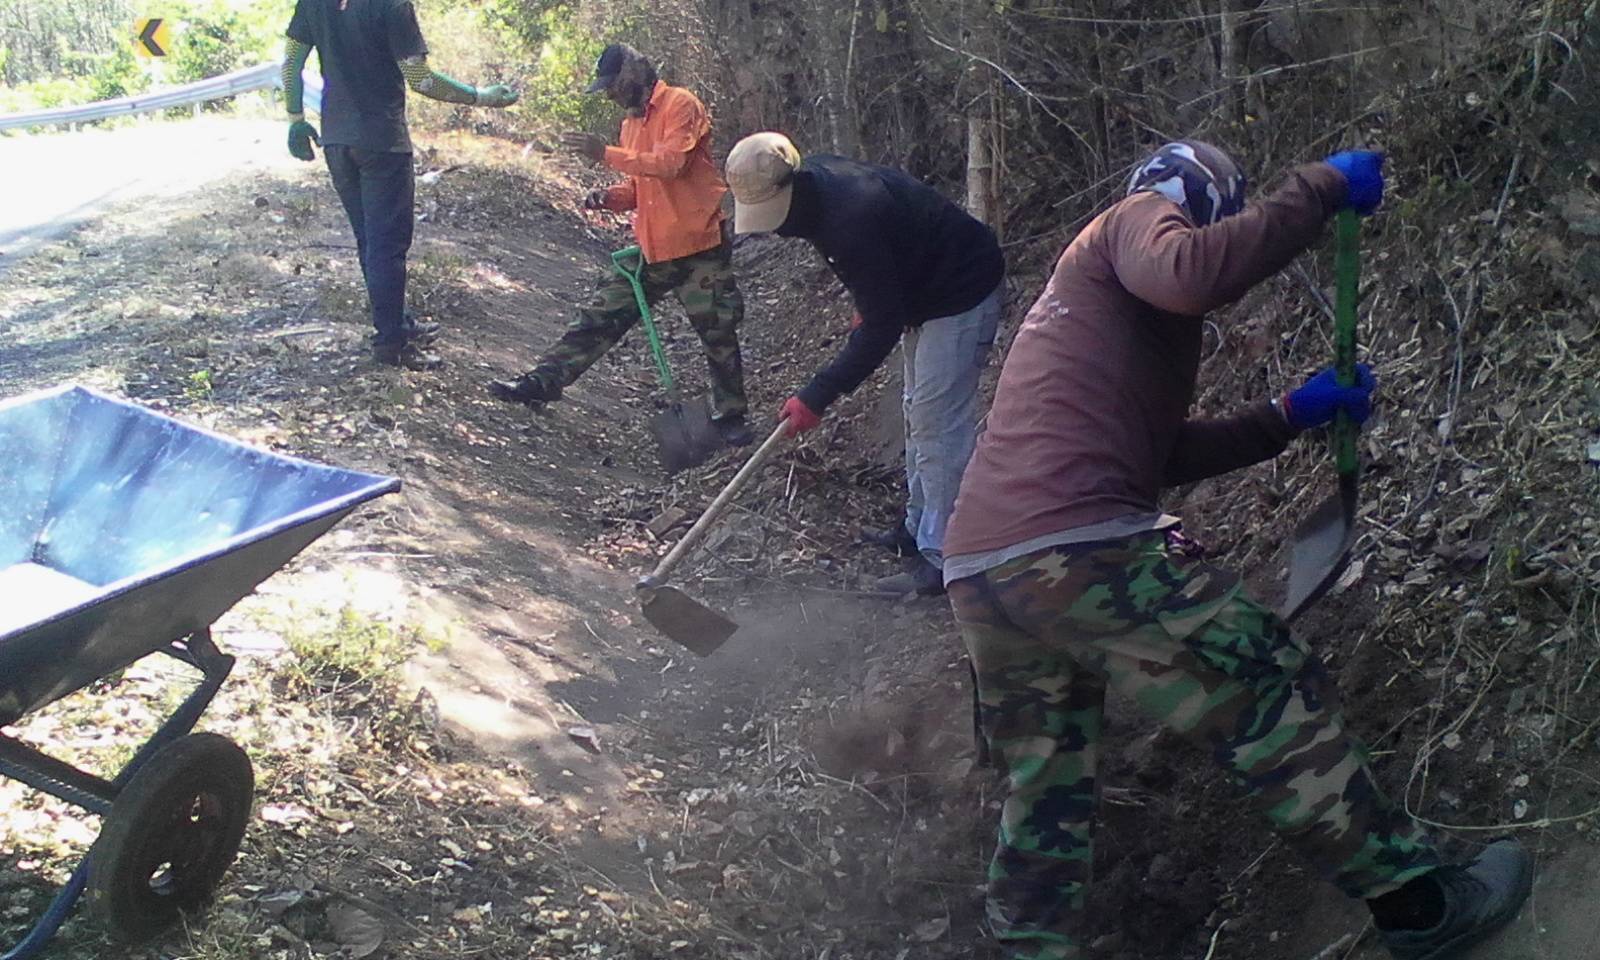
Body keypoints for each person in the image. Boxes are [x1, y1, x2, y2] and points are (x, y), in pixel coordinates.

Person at [941, 142, 1532, 960]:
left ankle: (1028, 948)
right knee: (1265, 690)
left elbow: (1158, 454)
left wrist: (1288, 415)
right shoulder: (1133, 220)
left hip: (983, 569)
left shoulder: (1091, 313)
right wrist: (1320, 188)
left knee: (1048, 783)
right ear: (1198, 199)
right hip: (1075, 548)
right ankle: (1422, 907)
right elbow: (1193, 273)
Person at [724, 132, 1005, 596]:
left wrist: (818, 394)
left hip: (961, 291)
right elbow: (883, 268)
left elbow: (881, 328)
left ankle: (945, 556)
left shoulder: (849, 214)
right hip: (923, 292)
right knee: (917, 412)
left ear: (788, 189)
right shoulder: (817, 190)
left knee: (937, 424)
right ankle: (917, 530)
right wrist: (875, 299)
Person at [489, 43, 750, 447]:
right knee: (599, 316)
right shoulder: (630, 125)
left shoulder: (681, 104)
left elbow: (671, 165)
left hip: (699, 246)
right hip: (652, 251)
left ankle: (731, 415)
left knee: (718, 333)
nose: (609, 94)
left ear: (633, 75)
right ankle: (543, 381)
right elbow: (640, 188)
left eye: (612, 85)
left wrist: (604, 154)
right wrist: (608, 198)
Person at [281, 0, 518, 370]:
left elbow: (291, 64)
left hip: (338, 141)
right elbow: (420, 78)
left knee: (369, 240)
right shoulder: (393, 5)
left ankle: (397, 324)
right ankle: (391, 343)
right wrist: (480, 96)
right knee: (387, 246)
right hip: (383, 143)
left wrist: (295, 118)